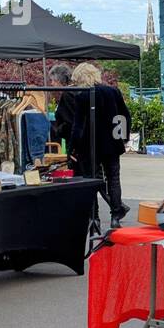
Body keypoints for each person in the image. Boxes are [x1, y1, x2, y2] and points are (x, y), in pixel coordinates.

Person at [66, 63, 132, 226]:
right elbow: (124, 116)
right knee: (114, 178)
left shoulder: (82, 96)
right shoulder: (113, 91)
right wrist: (123, 137)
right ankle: (115, 215)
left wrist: (72, 148)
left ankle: (94, 217)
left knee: (92, 179)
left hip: (89, 146)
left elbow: (78, 126)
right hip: (112, 142)